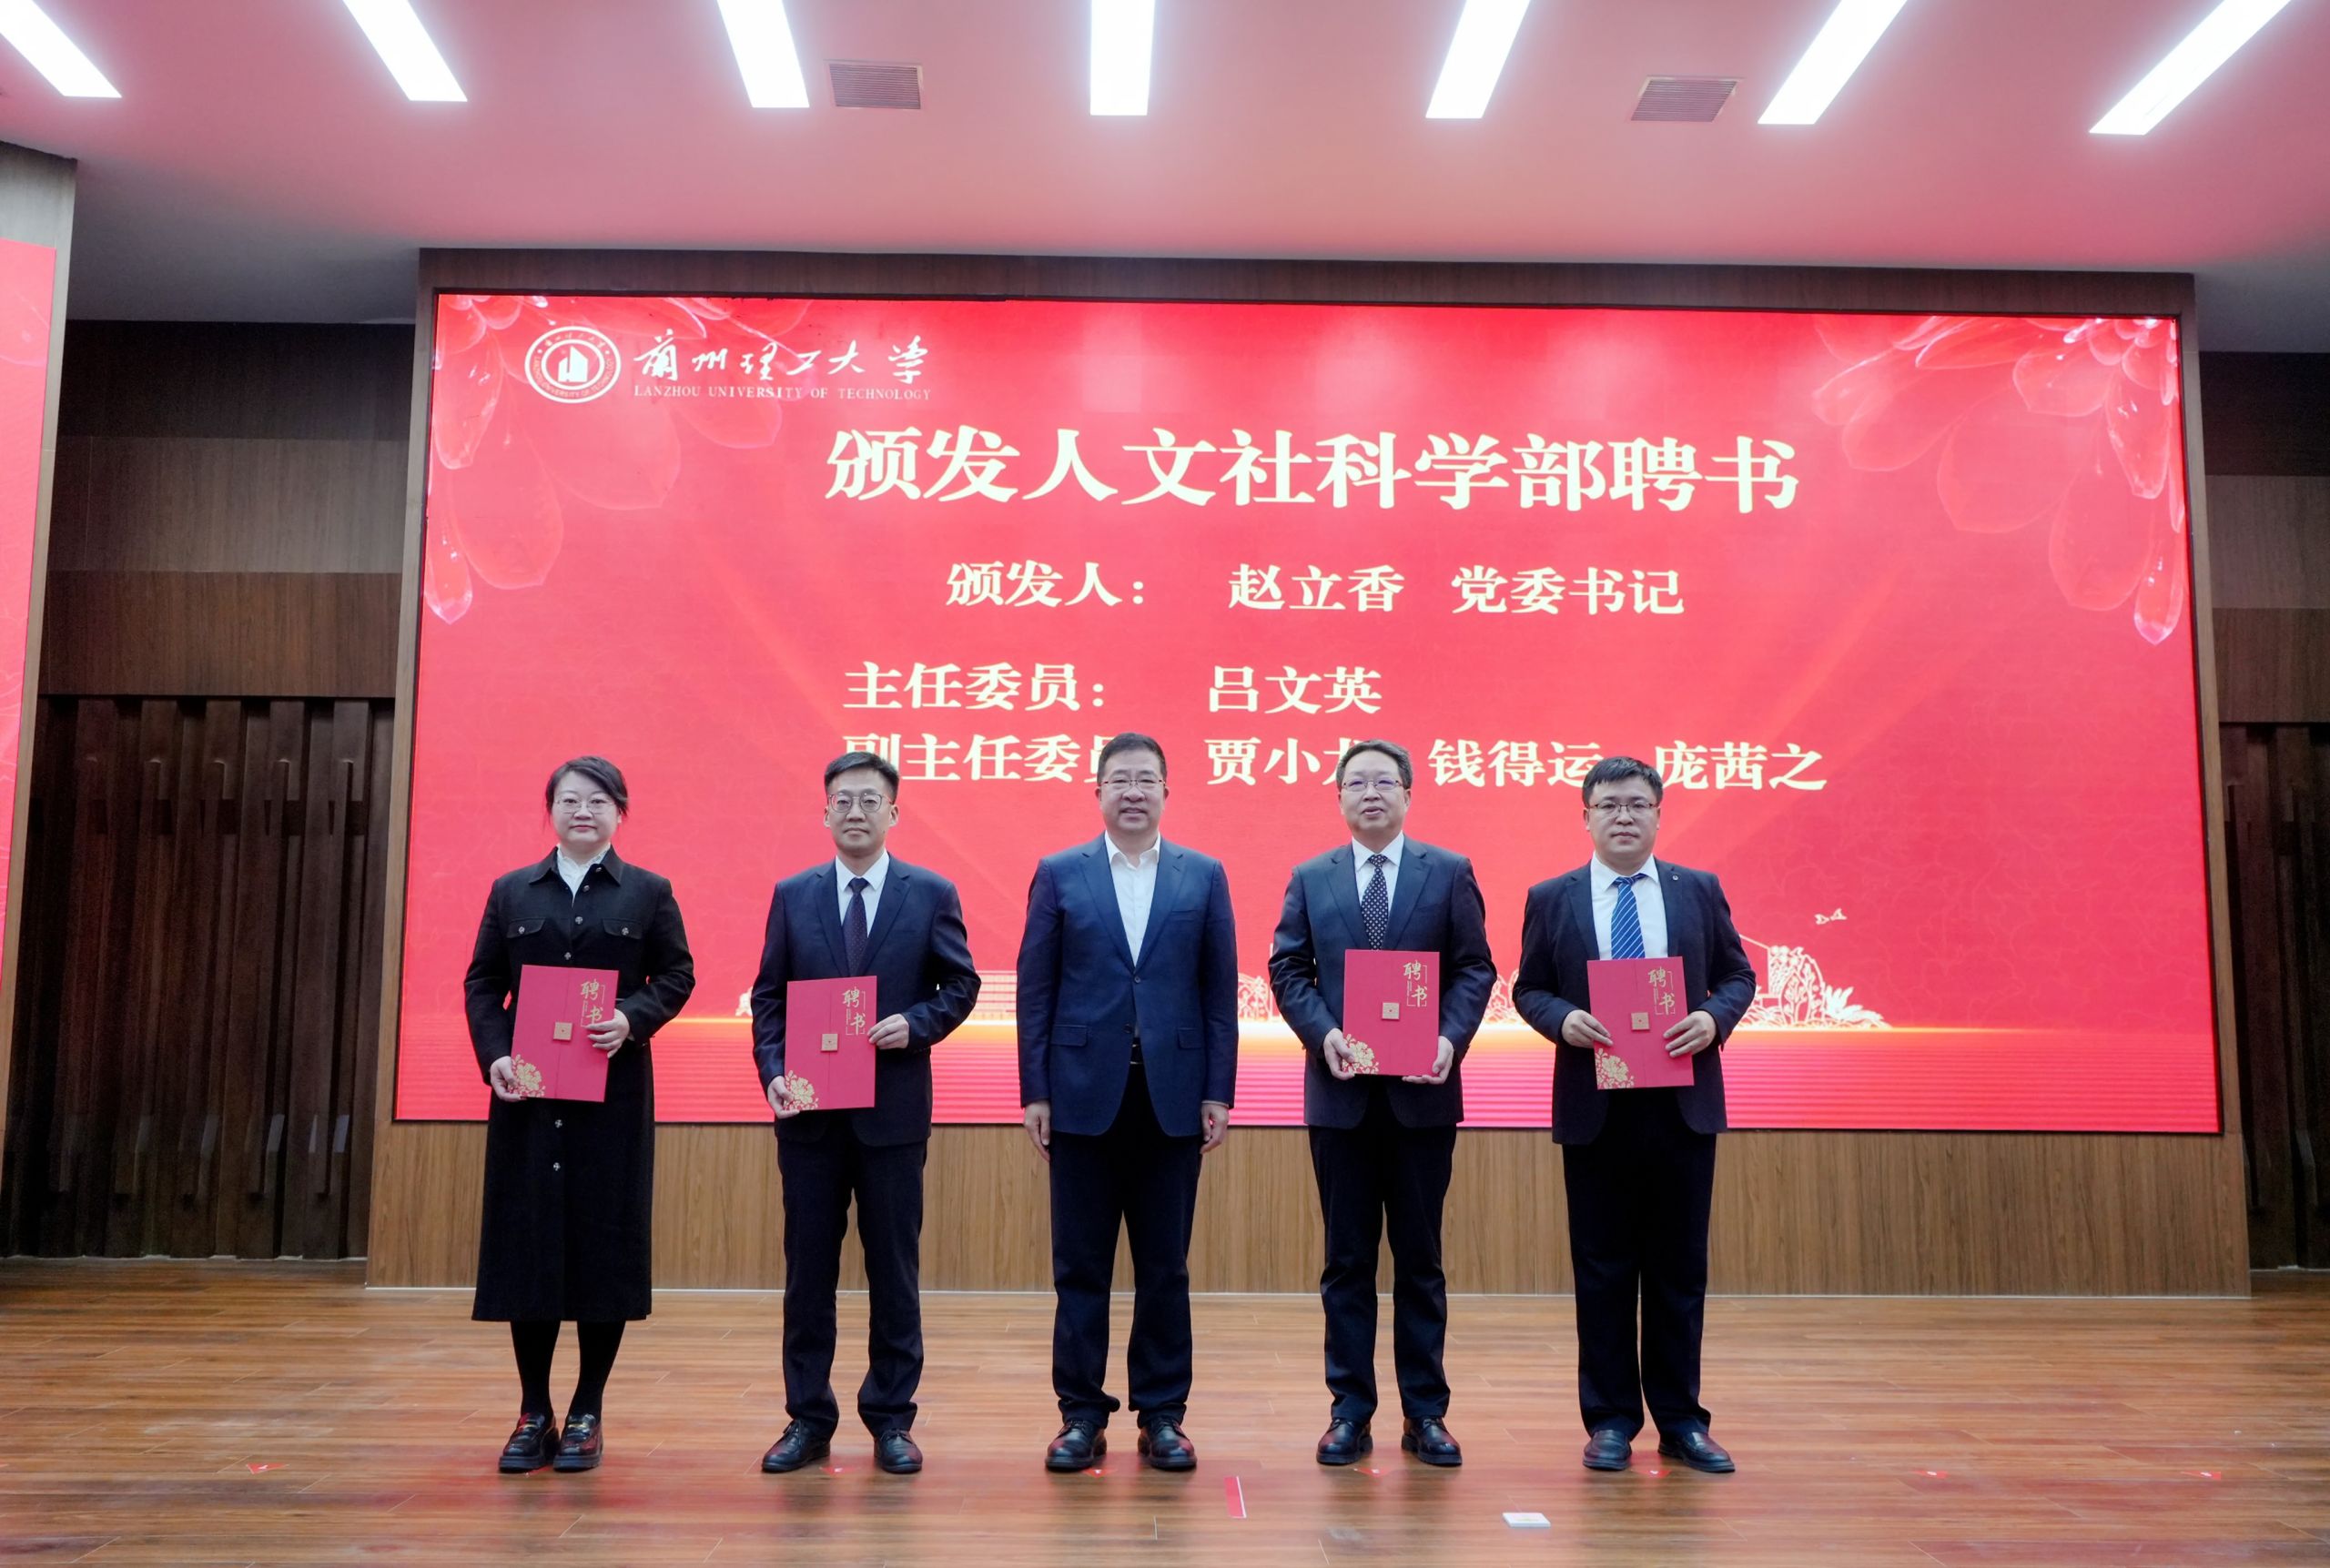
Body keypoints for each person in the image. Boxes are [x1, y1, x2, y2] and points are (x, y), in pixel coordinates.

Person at [1512, 754, 1757, 1475]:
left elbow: (1738, 974)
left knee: (1679, 1270)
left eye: (1637, 804)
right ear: (1585, 816)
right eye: (1609, 804)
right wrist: (1563, 1019)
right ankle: (1611, 1419)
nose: (1624, 816)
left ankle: (1681, 1420)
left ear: (1658, 813)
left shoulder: (1697, 889)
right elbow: (1529, 988)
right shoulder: (1552, 896)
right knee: (1603, 1270)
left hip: (1680, 1106)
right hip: (1597, 1107)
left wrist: (1712, 1019)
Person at [749, 751, 980, 1477]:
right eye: (843, 799)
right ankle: (807, 1417)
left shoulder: (930, 892)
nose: (855, 811)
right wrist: (774, 1071)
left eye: (869, 799)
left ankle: (891, 1418)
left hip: (892, 1115)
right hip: (811, 1117)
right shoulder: (794, 894)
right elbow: (769, 998)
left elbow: (961, 984)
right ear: (825, 812)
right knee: (807, 1274)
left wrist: (916, 1023)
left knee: (894, 1271)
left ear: (894, 812)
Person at [1268, 739, 1495, 1470]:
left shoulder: (1449, 871)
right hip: (1341, 1097)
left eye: (1384, 781)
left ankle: (1426, 1413)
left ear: (1407, 794)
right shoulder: (1312, 876)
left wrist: (1449, 1038)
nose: (1371, 793)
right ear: (1338, 796)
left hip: (1423, 1097)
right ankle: (1349, 1410)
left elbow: (1475, 968)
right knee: (1346, 1261)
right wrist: (1324, 1034)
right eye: (1357, 782)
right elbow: (1288, 968)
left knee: (1421, 1261)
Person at [465, 754, 695, 1474]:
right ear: (552, 810)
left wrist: (633, 1017)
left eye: (598, 801)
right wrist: (495, 1054)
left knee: (604, 1246)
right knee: (529, 1245)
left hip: (611, 1096)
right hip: (529, 1096)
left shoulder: (648, 892)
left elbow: (678, 973)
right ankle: (533, 1410)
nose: (583, 811)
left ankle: (588, 1407)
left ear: (619, 811)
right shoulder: (512, 890)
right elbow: (483, 982)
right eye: (570, 800)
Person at [1017, 733, 1238, 1472]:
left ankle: (1163, 1414)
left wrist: (1219, 1088)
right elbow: (1036, 990)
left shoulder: (1203, 875)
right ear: (1099, 791)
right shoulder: (1060, 872)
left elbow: (1218, 993)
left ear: (1167, 791)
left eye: (1146, 779)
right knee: (1080, 1266)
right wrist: (1035, 1090)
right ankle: (1080, 1415)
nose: (1133, 791)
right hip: (1081, 1095)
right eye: (1120, 779)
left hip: (1172, 1097)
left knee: (1165, 1266)